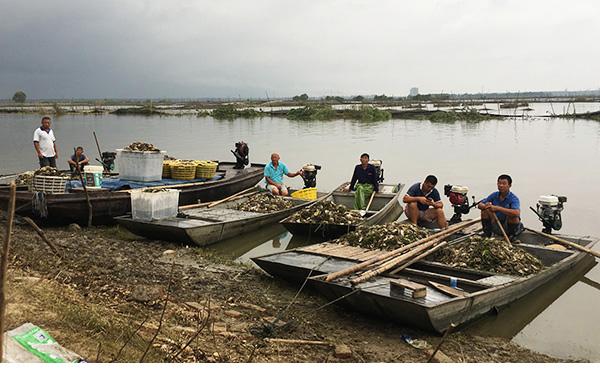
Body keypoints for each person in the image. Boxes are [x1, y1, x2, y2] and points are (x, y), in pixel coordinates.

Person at [478, 174, 524, 240]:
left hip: (507, 225)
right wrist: (486, 206)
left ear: (509, 185)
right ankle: (487, 234)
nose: (501, 185)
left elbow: (517, 213)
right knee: (484, 211)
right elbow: (480, 204)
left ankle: (512, 236)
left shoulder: (513, 198)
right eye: (499, 183)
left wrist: (497, 208)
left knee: (513, 216)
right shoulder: (494, 195)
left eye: (504, 184)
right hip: (496, 222)